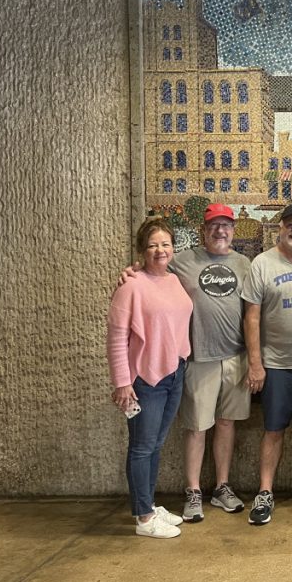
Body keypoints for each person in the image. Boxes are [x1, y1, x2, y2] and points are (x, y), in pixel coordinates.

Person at [107, 217, 193, 538]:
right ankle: (143, 517)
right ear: (143, 249)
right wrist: (122, 383)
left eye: (166, 244)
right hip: (145, 379)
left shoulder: (173, 280)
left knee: (155, 444)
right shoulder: (131, 285)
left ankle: (149, 503)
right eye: (153, 244)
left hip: (175, 372)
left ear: (173, 247)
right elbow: (116, 338)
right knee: (142, 448)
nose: (160, 250)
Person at [241, 204, 292, 526]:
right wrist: (256, 363)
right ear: (280, 228)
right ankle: (265, 491)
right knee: (274, 428)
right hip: (276, 363)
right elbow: (252, 316)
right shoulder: (262, 264)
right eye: (290, 224)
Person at [172, 204, 252, 521]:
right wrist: (131, 272)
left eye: (226, 226)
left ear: (233, 231)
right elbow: (152, 275)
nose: (221, 231)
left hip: (236, 357)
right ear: (203, 231)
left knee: (226, 422)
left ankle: (221, 487)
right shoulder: (182, 262)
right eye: (214, 226)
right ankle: (193, 491)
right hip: (199, 357)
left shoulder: (244, 264)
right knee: (196, 427)